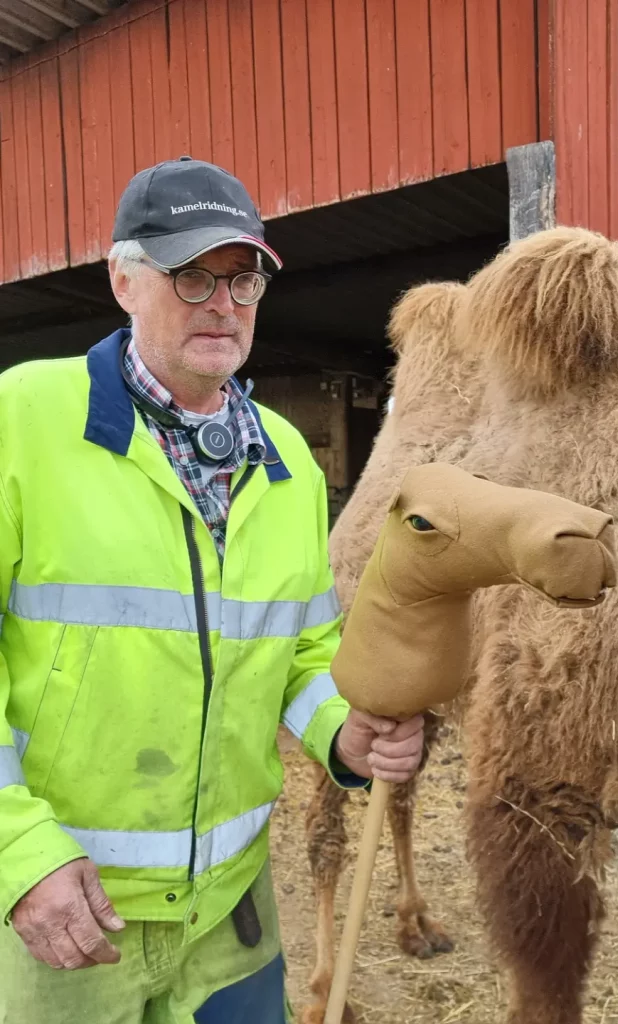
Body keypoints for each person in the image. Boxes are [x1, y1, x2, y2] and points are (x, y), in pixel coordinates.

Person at [0, 156, 425, 1022]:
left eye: (244, 280)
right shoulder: (22, 422)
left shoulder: (287, 461)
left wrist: (347, 732)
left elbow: (305, 649)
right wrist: (19, 854)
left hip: (231, 915)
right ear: (125, 278)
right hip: (68, 916)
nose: (223, 305)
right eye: (191, 275)